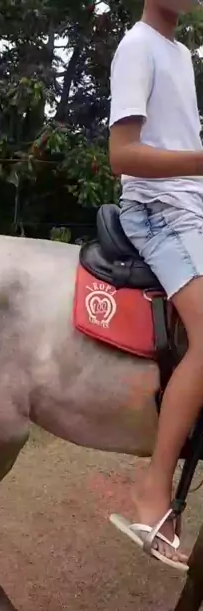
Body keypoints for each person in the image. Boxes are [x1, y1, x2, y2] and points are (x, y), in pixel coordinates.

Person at [108, 0, 203, 571]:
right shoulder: (136, 46)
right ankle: (153, 489)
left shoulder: (181, 54)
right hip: (157, 210)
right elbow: (121, 154)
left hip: (191, 206)